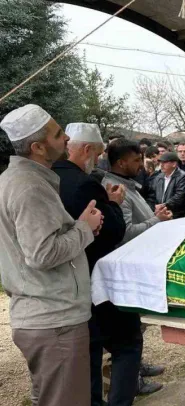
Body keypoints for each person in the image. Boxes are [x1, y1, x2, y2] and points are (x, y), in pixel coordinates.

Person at [0, 105, 103, 406]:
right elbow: (43, 254)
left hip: (44, 316)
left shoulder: (17, 180)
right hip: (54, 319)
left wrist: (79, 226)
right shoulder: (29, 187)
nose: (67, 138)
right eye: (58, 134)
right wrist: (84, 228)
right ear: (38, 147)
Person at [52, 123, 140, 406]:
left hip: (62, 283)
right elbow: (111, 231)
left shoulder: (48, 177)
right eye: (99, 154)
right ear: (87, 149)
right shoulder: (86, 184)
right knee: (127, 343)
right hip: (95, 277)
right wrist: (113, 203)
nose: (100, 160)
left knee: (87, 354)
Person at [102, 139, 172, 395]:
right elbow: (125, 232)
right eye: (135, 160)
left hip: (135, 263)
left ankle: (137, 367)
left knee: (134, 327)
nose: (141, 164)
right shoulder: (115, 189)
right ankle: (131, 381)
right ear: (121, 163)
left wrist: (153, 214)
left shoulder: (127, 184)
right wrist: (156, 220)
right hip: (126, 266)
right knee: (126, 333)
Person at [149, 152, 185, 219]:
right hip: (159, 214)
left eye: (164, 162)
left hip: (176, 215)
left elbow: (179, 196)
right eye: (161, 162)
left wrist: (163, 205)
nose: (161, 165)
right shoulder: (158, 177)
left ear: (174, 164)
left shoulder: (182, 176)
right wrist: (153, 207)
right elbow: (152, 196)